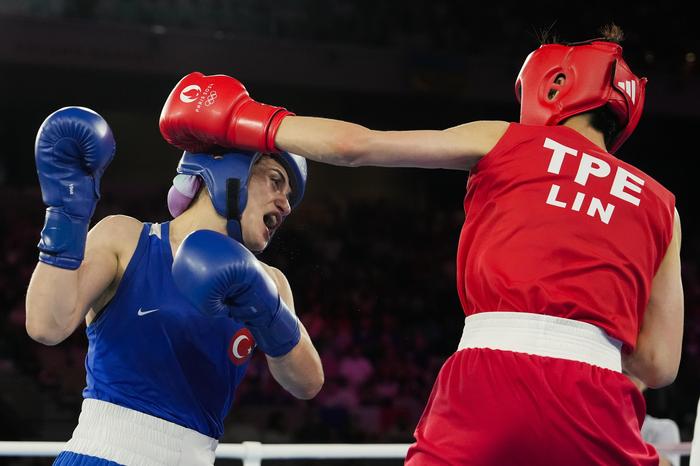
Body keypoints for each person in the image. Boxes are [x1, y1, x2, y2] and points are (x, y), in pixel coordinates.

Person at [158, 24, 683, 465]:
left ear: (555, 82)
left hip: (493, 373)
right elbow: (659, 364)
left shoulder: (506, 139)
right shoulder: (663, 205)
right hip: (599, 399)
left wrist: (243, 117)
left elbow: (356, 146)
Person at [25, 106, 323, 465]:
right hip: (102, 454)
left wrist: (266, 307)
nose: (286, 206)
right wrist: (66, 213)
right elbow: (46, 326)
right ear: (230, 169)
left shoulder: (270, 281)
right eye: (276, 181)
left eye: (290, 196)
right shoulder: (127, 237)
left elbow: (307, 384)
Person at [628, 374, 682, 466]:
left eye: (626, 373)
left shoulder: (664, 428)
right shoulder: (600, 425)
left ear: (644, 384)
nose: (621, 379)